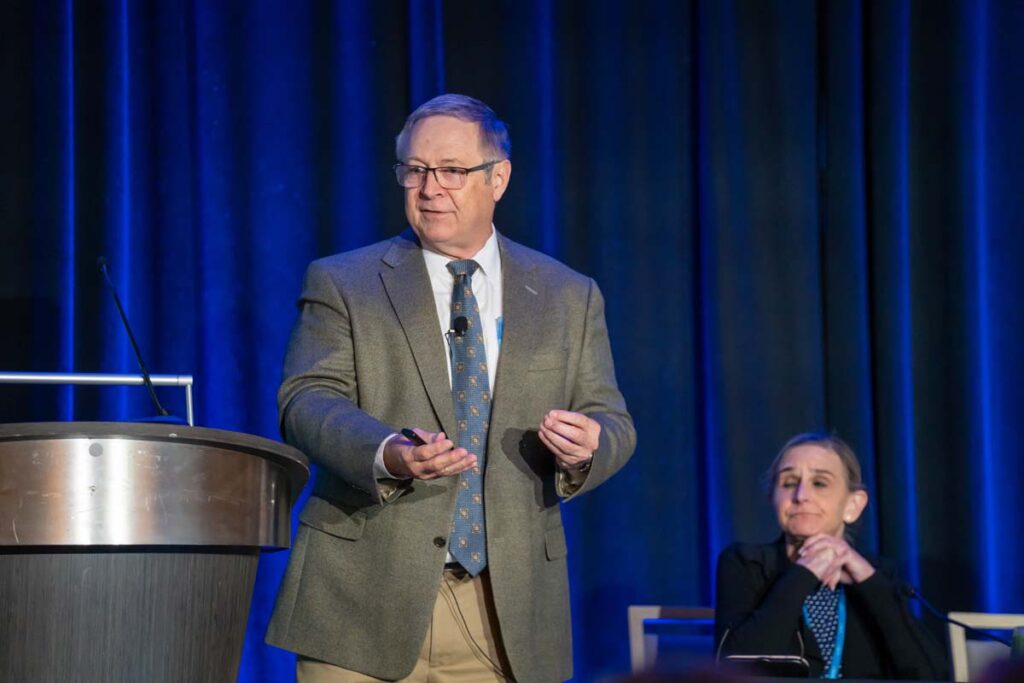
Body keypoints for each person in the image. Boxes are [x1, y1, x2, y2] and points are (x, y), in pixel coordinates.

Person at [266, 94, 636, 683]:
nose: (429, 188)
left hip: (503, 611)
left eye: (451, 171)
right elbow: (306, 401)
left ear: (498, 178)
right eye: (414, 170)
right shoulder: (345, 282)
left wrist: (589, 447)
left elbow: (611, 419)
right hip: (361, 600)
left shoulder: (567, 295)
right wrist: (388, 452)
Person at [713, 433, 948, 680]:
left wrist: (870, 581)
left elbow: (932, 674)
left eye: (819, 483)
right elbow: (733, 667)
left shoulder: (877, 575)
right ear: (773, 497)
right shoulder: (746, 563)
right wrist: (804, 572)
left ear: (853, 505)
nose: (801, 495)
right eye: (789, 483)